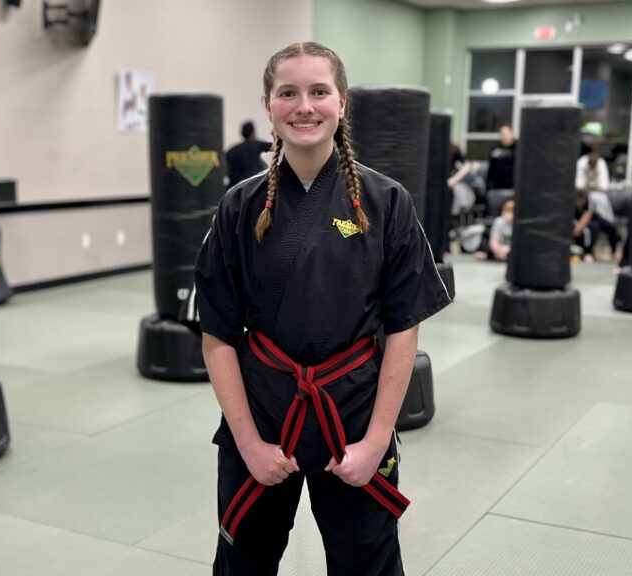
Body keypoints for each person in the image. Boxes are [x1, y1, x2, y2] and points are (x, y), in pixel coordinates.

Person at [191, 41, 451, 576]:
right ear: (269, 105)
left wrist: (377, 441)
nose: (304, 106)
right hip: (263, 414)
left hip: (353, 414)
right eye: (288, 92)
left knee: (367, 563)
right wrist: (249, 444)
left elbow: (403, 330)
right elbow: (217, 334)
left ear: (342, 103)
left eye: (318, 91)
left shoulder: (386, 202)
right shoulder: (238, 206)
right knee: (243, 562)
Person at [226, 121, 272, 186]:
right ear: (253, 133)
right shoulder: (256, 145)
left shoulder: (231, 151)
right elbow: (275, 147)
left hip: (235, 187)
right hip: (253, 185)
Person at [485, 123, 516, 193]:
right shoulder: (495, 150)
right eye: (502, 134)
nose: (504, 136)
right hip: (497, 189)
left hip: (513, 188)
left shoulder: (518, 150)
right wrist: (488, 187)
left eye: (506, 134)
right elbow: (490, 170)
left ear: (512, 133)